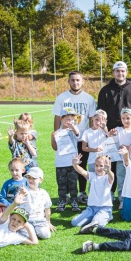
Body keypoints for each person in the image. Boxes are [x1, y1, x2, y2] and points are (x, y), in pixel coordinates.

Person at [52, 71, 97, 204]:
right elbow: (57, 117)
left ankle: (82, 192)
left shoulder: (89, 98)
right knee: (66, 166)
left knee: (82, 165)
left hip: (82, 138)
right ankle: (66, 194)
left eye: (78, 80)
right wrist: (56, 135)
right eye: (72, 80)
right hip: (66, 138)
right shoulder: (62, 98)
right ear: (69, 81)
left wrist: (90, 137)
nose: (75, 82)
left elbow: (91, 119)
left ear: (82, 81)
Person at [108, 108, 131, 207]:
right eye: (123, 118)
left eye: (128, 118)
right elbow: (110, 141)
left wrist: (128, 147)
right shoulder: (118, 130)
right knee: (121, 179)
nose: (126, 120)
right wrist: (110, 134)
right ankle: (122, 200)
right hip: (120, 160)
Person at [72, 154, 114, 230]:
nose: (98, 168)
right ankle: (94, 217)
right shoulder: (92, 175)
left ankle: (108, 216)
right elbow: (82, 171)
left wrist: (108, 170)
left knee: (97, 223)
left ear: (106, 166)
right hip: (91, 208)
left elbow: (112, 177)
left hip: (104, 208)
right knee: (74, 222)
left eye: (101, 166)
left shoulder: (107, 177)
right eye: (96, 165)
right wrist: (75, 164)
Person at [97, 61, 131, 130]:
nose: (120, 73)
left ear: (126, 72)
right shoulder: (105, 91)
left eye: (122, 71)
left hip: (130, 131)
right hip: (111, 131)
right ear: (113, 72)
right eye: (117, 71)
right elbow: (101, 113)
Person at [51, 107, 81, 213]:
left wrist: (73, 126)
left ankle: (74, 201)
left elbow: (78, 135)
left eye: (72, 119)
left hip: (72, 163)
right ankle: (62, 201)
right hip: (60, 163)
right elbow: (55, 148)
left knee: (73, 184)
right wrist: (53, 138)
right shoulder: (57, 132)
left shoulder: (73, 130)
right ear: (61, 119)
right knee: (61, 184)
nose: (69, 121)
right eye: (67, 119)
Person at [19, 167, 55, 239]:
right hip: (26, 220)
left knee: (46, 235)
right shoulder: (24, 190)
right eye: (29, 177)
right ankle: (32, 232)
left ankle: (35, 232)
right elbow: (17, 202)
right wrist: (20, 194)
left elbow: (47, 209)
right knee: (25, 235)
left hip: (39, 220)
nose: (30, 180)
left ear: (40, 180)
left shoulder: (44, 193)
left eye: (34, 178)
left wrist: (48, 222)